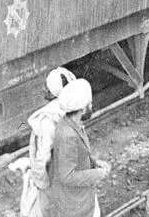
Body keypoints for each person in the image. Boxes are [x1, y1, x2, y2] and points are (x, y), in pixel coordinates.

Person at [47, 79, 111, 217]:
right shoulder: (67, 135)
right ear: (82, 109)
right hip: (74, 204)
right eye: (90, 104)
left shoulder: (71, 124)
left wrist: (95, 162)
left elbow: (79, 154)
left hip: (82, 195)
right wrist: (97, 174)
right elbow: (67, 176)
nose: (92, 106)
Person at [20, 67, 76, 217]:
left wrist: (40, 183)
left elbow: (43, 157)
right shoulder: (71, 111)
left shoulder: (47, 120)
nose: (43, 88)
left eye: (46, 86)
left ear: (52, 92)